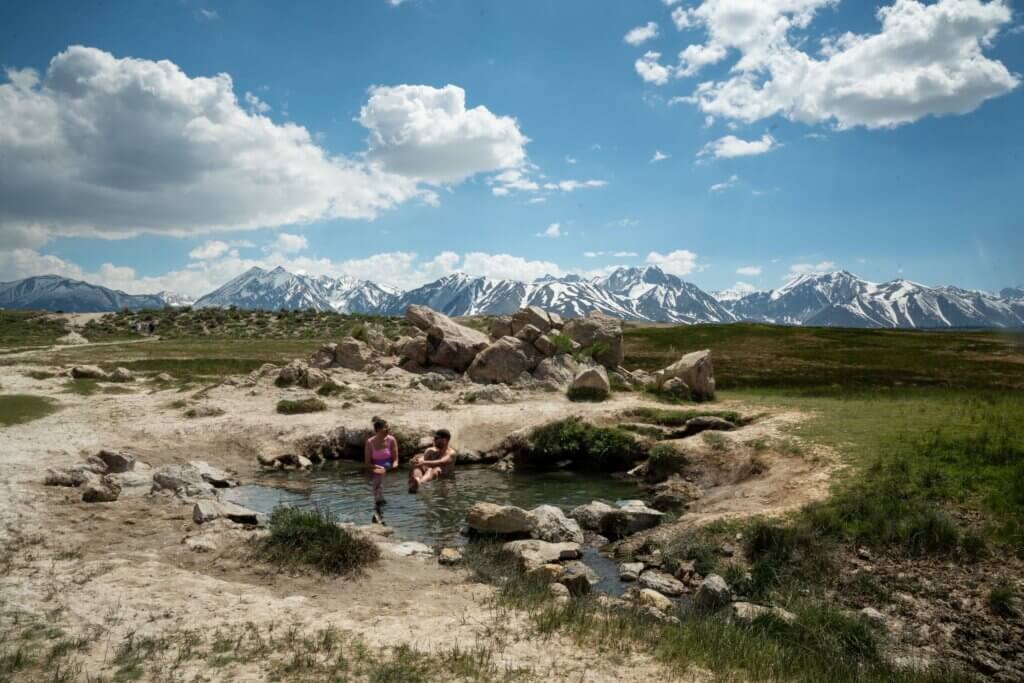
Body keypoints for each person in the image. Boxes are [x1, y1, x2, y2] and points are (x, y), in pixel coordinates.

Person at [408, 428, 457, 494]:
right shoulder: (431, 450)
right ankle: (416, 481)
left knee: (433, 469)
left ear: (445, 440)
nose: (434, 440)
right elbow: (423, 460)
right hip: (430, 479)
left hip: (445, 480)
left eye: (436, 438)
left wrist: (422, 462)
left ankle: (419, 483)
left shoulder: (451, 453)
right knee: (417, 467)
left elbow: (441, 462)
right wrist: (416, 461)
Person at [365, 418, 398, 509]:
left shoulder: (391, 440)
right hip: (375, 468)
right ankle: (380, 504)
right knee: (378, 482)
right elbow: (367, 463)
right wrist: (378, 467)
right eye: (386, 427)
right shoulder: (370, 442)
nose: (389, 429)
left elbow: (396, 460)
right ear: (379, 429)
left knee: (378, 483)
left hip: (388, 466)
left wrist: (393, 466)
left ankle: (379, 506)